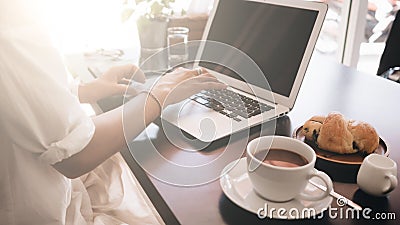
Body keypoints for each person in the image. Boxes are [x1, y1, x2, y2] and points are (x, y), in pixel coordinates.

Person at [0, 0, 226, 224]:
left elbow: (19, 92)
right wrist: (157, 96)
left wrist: (84, 91)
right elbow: (74, 156)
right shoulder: (11, 22)